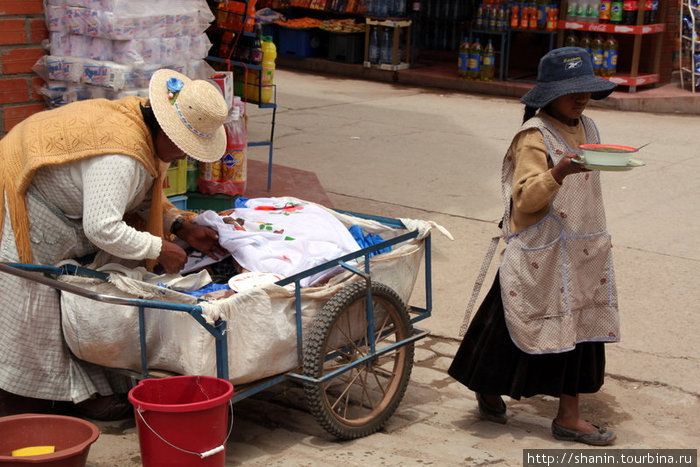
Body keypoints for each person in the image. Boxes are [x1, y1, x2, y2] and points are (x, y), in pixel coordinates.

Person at [0, 68, 229, 420]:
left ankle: (82, 383)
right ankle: (42, 399)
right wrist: (159, 248)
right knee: (35, 305)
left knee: (66, 296)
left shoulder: (141, 128)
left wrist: (180, 226)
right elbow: (102, 227)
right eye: (185, 149)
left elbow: (134, 197)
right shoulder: (121, 157)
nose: (185, 158)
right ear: (166, 129)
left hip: (56, 203)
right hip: (23, 197)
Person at [448, 47, 620, 446]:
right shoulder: (533, 137)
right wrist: (558, 172)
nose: (581, 98)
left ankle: (569, 415)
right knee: (511, 326)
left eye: (586, 90)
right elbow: (525, 199)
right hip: (539, 251)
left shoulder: (589, 127)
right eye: (571, 91)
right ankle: (488, 388)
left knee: (579, 331)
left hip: (582, 250)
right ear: (547, 95)